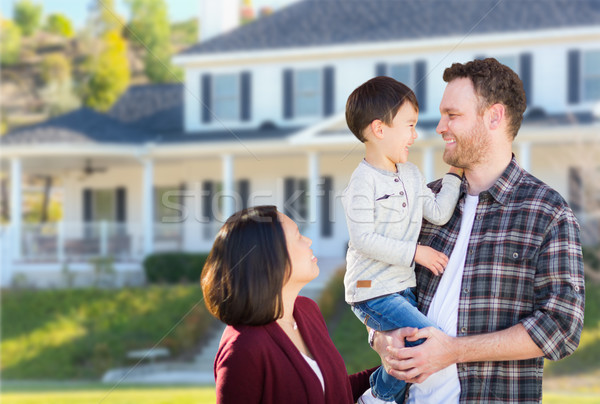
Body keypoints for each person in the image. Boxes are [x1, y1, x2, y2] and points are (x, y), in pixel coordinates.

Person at [372, 58, 585, 404]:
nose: (440, 127)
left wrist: (454, 351)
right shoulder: (422, 202)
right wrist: (382, 339)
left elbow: (562, 328)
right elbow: (376, 284)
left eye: (452, 115)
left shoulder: (547, 212)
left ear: (494, 117)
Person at [342, 76, 463, 403]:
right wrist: (416, 252)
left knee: (406, 350)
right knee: (428, 341)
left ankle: (382, 397)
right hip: (371, 290)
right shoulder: (361, 184)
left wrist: (454, 174)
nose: (415, 134)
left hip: (401, 287)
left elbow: (437, 212)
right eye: (409, 125)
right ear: (379, 129)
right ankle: (376, 397)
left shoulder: (410, 174)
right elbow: (364, 239)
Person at [200, 205, 376, 404]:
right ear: (270, 257)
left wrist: (395, 369)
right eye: (298, 236)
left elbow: (332, 391)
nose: (308, 240)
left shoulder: (307, 311)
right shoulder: (242, 350)